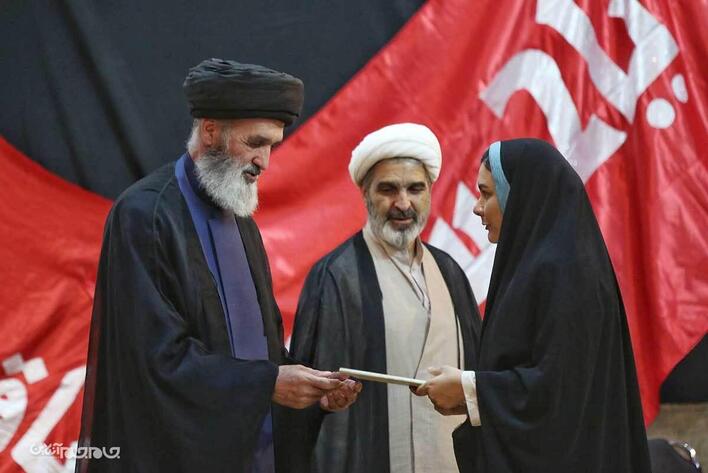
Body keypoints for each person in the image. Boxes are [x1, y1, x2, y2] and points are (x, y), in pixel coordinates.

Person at [76, 58, 360, 473]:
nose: (264, 161)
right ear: (210, 131)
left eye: (272, 146)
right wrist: (268, 384)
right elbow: (152, 363)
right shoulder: (144, 215)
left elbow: (258, 351)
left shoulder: (240, 219)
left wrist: (312, 393)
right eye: (255, 142)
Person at [415, 138, 651, 472]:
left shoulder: (566, 272)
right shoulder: (539, 263)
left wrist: (470, 390)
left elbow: (561, 392)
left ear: (521, 195)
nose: (477, 208)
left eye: (486, 193)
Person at [288, 123, 481, 473]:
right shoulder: (337, 275)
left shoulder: (450, 271)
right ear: (365, 193)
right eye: (388, 189)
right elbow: (309, 400)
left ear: (430, 192)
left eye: (415, 188)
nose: (403, 203)